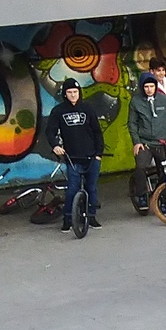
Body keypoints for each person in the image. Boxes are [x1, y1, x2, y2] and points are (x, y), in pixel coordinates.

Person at [45, 78, 103, 235]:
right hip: (72, 157)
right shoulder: (58, 111)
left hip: (91, 156)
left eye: (75, 92)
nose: (72, 95)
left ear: (79, 92)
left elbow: (97, 132)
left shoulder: (87, 108)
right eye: (69, 92)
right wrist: (55, 145)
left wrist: (99, 154)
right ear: (65, 94)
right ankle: (68, 219)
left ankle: (91, 216)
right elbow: (50, 131)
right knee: (72, 189)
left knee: (91, 188)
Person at [124, 74, 166, 214]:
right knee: (140, 167)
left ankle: (162, 200)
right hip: (145, 143)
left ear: (155, 86)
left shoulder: (165, 100)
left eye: (152, 86)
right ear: (142, 87)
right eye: (146, 87)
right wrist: (136, 142)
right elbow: (132, 123)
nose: (149, 89)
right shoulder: (136, 102)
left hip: (162, 143)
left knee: (164, 172)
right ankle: (142, 196)